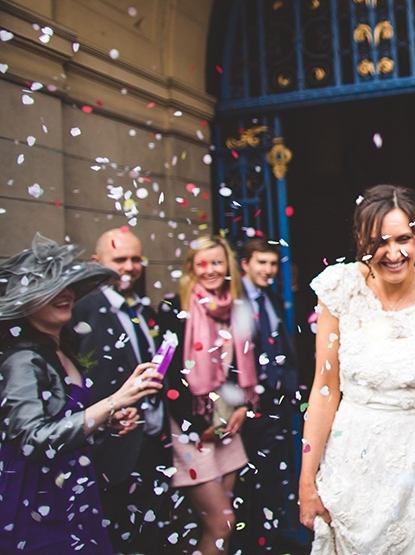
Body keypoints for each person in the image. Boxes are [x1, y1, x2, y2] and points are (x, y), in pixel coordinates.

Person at [299, 184, 415, 554]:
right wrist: (306, 482)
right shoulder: (339, 289)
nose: (394, 253)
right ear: (360, 241)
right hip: (352, 462)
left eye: (404, 239)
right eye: (379, 242)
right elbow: (324, 387)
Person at [0, 233, 162, 555]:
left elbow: (66, 418)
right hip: (38, 498)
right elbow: (33, 439)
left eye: (67, 286)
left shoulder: (62, 351)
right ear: (26, 303)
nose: (65, 295)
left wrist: (107, 420)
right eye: (50, 290)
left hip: (75, 485)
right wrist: (114, 400)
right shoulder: (22, 360)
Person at [71, 228, 172, 553]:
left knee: (151, 535)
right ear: (96, 262)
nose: (129, 266)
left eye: (134, 259)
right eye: (119, 260)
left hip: (153, 444)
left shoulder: (144, 310)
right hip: (109, 448)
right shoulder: (80, 310)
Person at [158, 235, 258, 555]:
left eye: (218, 262)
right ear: (192, 268)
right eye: (203, 263)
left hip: (227, 421)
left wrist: (242, 407)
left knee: (226, 521)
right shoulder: (173, 308)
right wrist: (196, 424)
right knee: (220, 523)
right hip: (191, 426)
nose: (211, 270)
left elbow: (238, 368)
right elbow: (168, 377)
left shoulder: (234, 307)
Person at [233, 236, 299, 553]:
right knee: (244, 483)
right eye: (262, 262)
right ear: (245, 264)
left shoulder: (269, 298)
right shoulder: (233, 300)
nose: (269, 269)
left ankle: (267, 542)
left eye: (273, 264)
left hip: (275, 405)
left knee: (271, 478)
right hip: (245, 408)